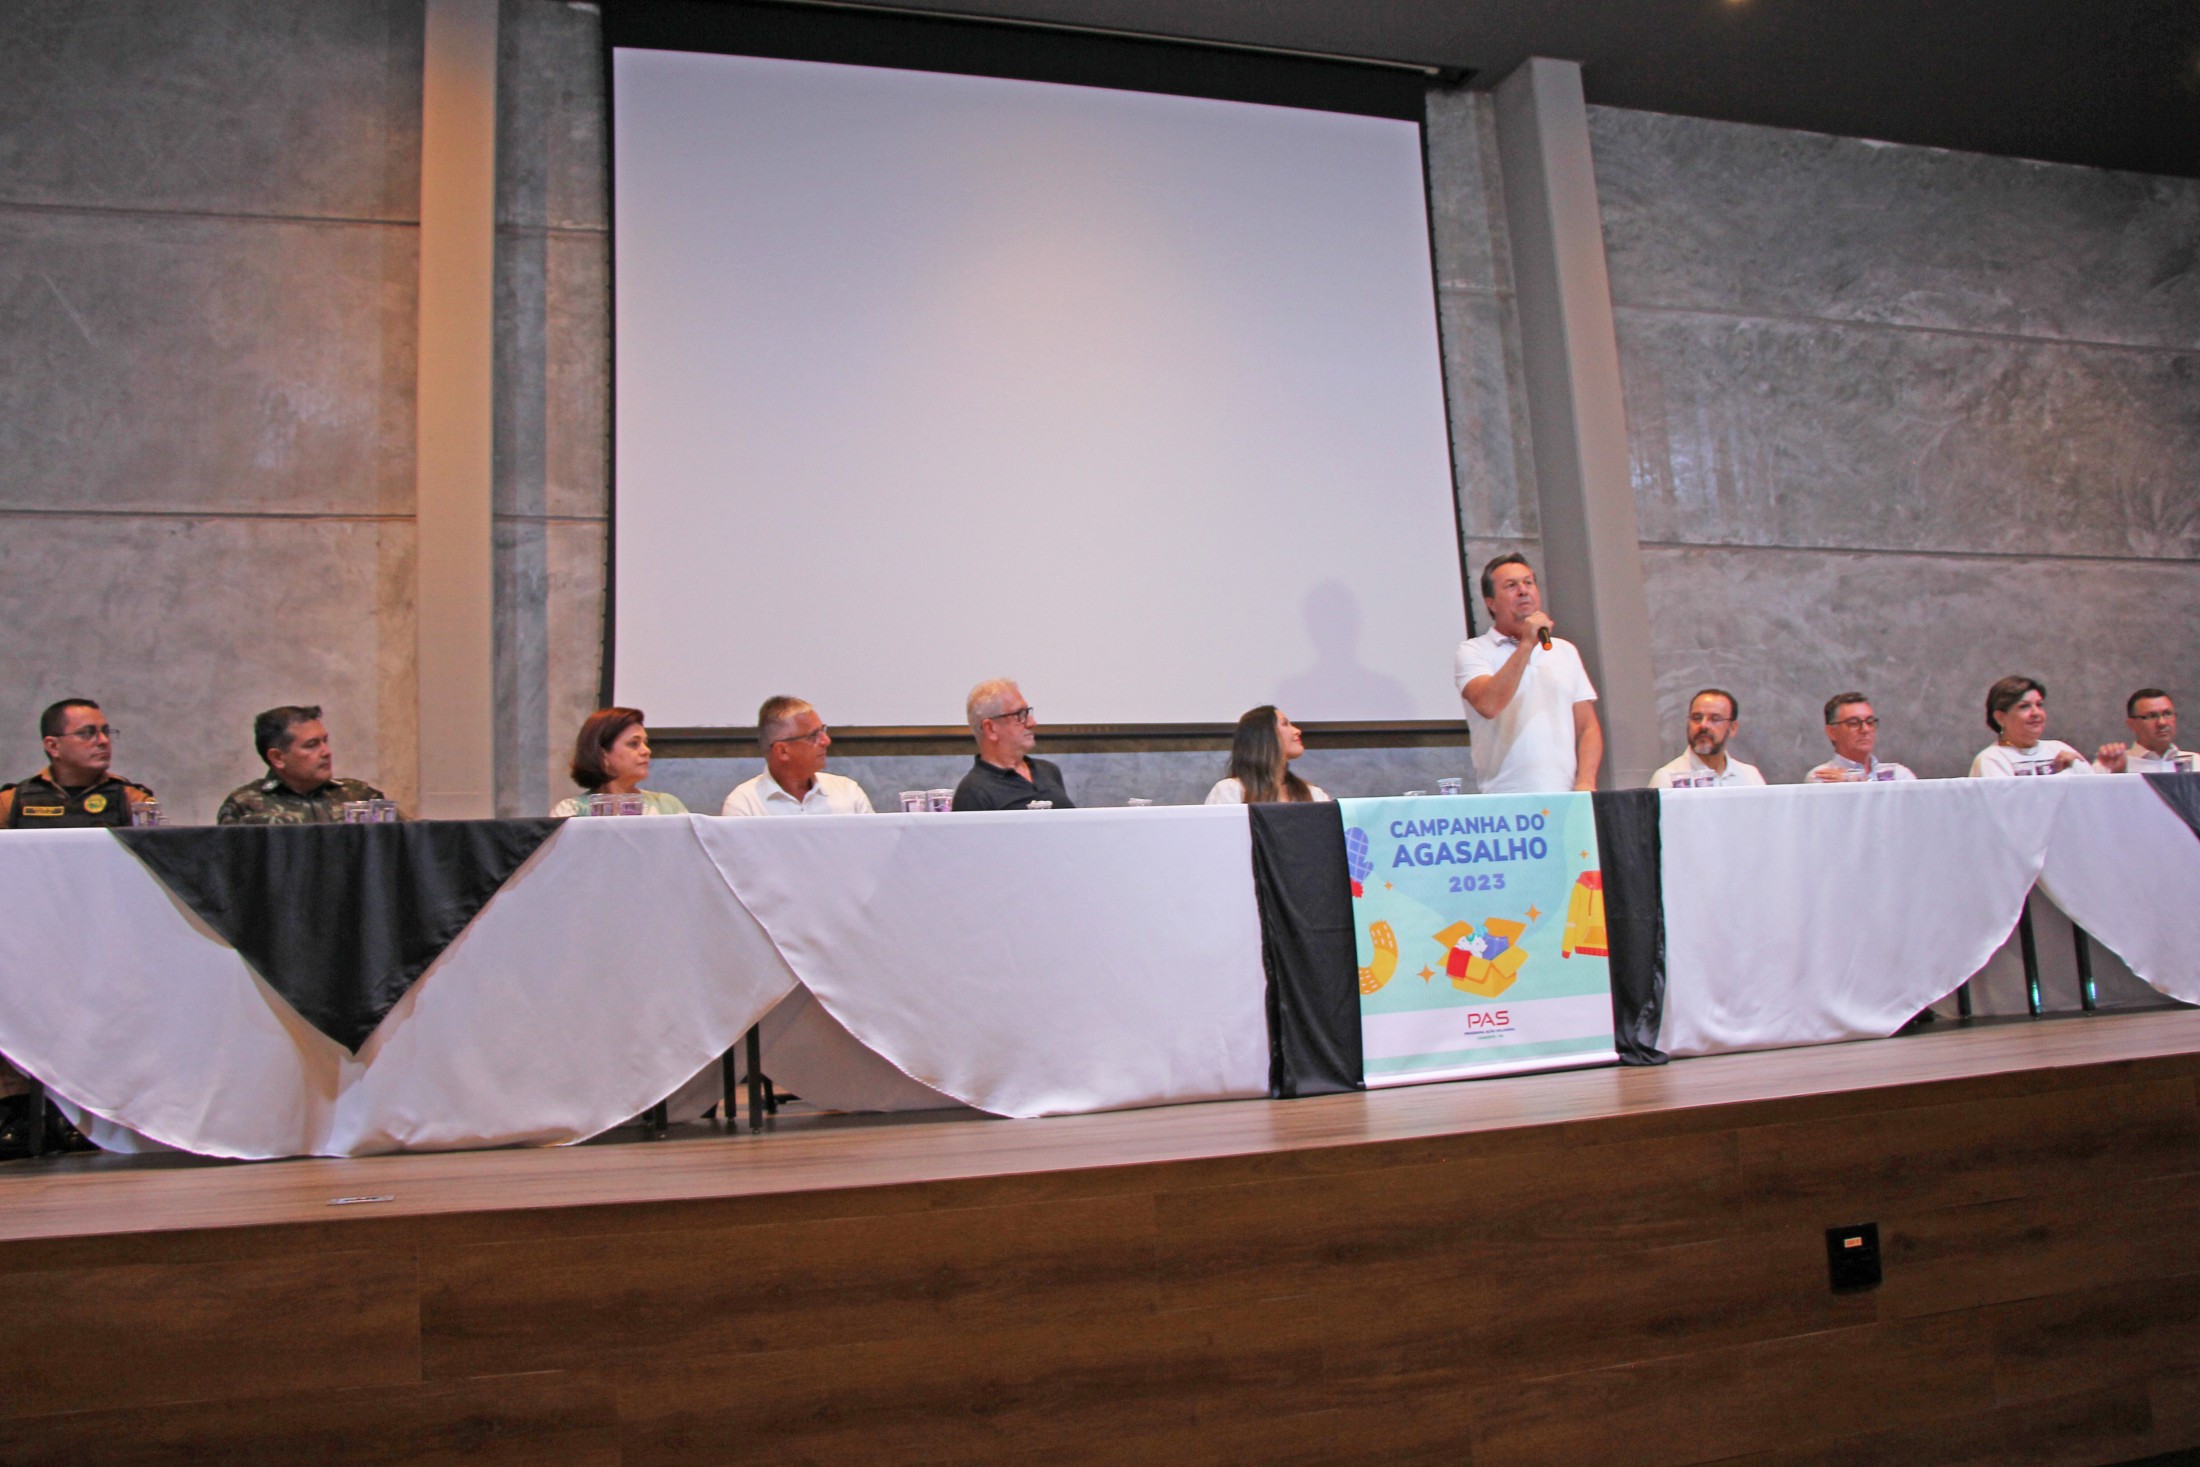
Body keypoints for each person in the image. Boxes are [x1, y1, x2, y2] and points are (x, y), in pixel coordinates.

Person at [1454, 553, 1601, 794]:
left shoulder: (1565, 651)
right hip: (1506, 798)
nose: (1523, 591)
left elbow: (1588, 728)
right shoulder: (1473, 651)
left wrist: (1585, 782)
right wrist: (1526, 644)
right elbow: (1489, 705)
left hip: (1564, 796)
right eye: (1511, 586)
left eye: (1528, 583)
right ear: (1491, 603)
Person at [0, 698, 156, 828]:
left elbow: (153, 852)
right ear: (53, 746)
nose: (103, 741)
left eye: (105, 732)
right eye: (87, 733)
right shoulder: (10, 802)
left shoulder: (132, 799)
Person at [217, 706, 387, 824]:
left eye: (325, 741)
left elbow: (396, 850)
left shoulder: (360, 796)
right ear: (277, 757)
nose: (326, 752)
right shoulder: (245, 805)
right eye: (311, 745)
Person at [721, 696, 875, 816]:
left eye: (823, 731)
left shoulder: (848, 793)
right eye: (813, 736)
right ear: (782, 751)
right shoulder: (744, 804)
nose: (826, 741)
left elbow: (875, 846)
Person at [951, 678, 1075, 811]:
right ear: (990, 729)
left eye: (1027, 713)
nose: (1032, 723)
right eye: (1020, 715)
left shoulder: (1048, 771)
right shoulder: (973, 793)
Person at [552, 707, 689, 816]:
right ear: (603, 753)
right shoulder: (571, 811)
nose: (646, 751)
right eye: (633, 744)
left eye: (645, 743)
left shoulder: (667, 806)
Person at [1968, 677, 2114, 777]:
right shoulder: (1991, 759)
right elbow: (2010, 807)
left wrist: (2109, 768)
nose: (2036, 713)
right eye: (2024, 706)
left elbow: (2093, 795)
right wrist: (2062, 776)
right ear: (2001, 717)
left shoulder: (2059, 749)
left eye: (2039, 705)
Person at [1205, 706, 1331, 805]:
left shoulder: (1314, 794)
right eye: (1285, 724)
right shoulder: (1230, 790)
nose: (1297, 731)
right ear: (1264, 736)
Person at [1650, 689, 1766, 789]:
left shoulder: (1750, 776)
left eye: (1715, 719)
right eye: (1696, 718)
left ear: (1732, 728)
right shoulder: (1668, 779)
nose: (1703, 725)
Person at [1806, 692, 1916, 783]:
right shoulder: (1822, 776)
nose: (1865, 729)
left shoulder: (1898, 774)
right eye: (1853, 723)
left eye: (1870, 722)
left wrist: (1851, 779)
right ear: (1832, 732)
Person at [2121, 689, 2193, 774]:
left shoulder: (2196, 763)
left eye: (2167, 714)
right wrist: (2118, 771)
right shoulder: (2118, 765)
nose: (2162, 723)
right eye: (2152, 716)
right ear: (2132, 724)